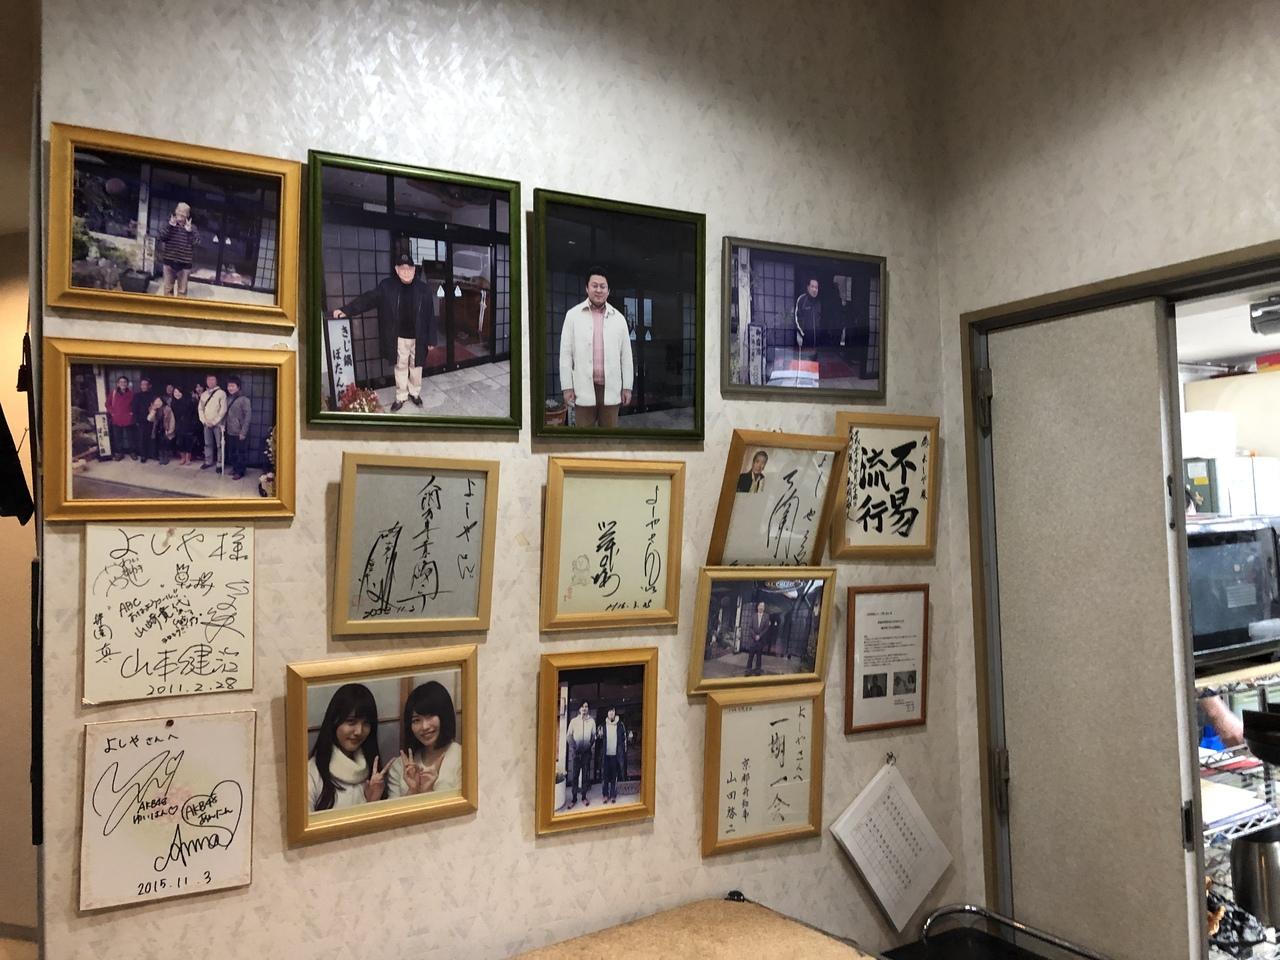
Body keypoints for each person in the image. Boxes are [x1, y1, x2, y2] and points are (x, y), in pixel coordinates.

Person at [332, 253, 435, 412]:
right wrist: (347, 310)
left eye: (409, 268)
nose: (406, 272)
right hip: (398, 337)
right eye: (402, 268)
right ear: (396, 269)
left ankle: (414, 393)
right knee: (400, 366)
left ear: (414, 270)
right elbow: (368, 299)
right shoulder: (387, 286)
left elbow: (430, 315)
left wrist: (431, 339)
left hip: (419, 337)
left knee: (416, 366)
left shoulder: (424, 289)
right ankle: (401, 396)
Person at [558, 268, 633, 428]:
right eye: (594, 285)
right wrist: (567, 387)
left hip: (611, 389)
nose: (598, 290)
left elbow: (626, 356)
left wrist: (627, 387)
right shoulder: (573, 316)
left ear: (608, 290)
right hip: (582, 388)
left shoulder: (619, 319)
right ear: (587, 288)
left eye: (602, 286)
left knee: (609, 437)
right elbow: (565, 355)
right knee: (584, 438)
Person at [307, 683, 387, 812]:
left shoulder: (373, 771)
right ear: (334, 721)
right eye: (351, 722)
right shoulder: (312, 773)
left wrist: (373, 802)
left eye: (366, 723)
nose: (359, 731)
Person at [385, 681, 462, 797]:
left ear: (444, 715)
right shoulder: (400, 766)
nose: (424, 726)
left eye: (430, 716)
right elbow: (392, 809)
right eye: (416, 720)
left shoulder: (463, 758)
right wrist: (413, 791)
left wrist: (428, 791)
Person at [157, 201, 199, 297]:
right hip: (169, 263)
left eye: (184, 211)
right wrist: (170, 226)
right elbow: (160, 237)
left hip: (185, 265)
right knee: (168, 290)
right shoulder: (168, 224)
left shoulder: (192, 228)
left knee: (182, 292)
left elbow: (196, 242)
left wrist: (189, 232)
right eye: (179, 210)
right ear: (175, 211)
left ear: (187, 215)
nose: (181, 213)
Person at [565, 699, 597, 809]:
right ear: (579, 709)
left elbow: (593, 736)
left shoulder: (592, 722)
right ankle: (574, 799)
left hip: (586, 753)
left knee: (585, 775)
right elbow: (569, 736)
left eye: (586, 706)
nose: (584, 708)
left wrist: (589, 745)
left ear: (588, 709)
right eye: (582, 706)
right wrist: (575, 747)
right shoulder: (574, 721)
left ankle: (584, 797)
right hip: (576, 754)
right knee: (575, 776)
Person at [224, 377, 252, 481]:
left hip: (240, 431)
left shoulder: (244, 400)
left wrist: (243, 432)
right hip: (230, 431)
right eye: (229, 386)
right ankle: (235, 468)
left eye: (232, 386)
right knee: (232, 452)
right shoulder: (228, 398)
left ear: (238, 387)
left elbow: (248, 416)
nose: (230, 388)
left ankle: (240, 471)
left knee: (241, 453)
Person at [598, 706, 627, 805]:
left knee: (614, 775)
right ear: (607, 713)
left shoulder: (620, 725)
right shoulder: (603, 725)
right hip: (606, 755)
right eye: (609, 711)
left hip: (615, 755)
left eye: (612, 711)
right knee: (605, 776)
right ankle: (605, 795)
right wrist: (599, 735)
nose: (611, 713)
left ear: (615, 712)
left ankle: (613, 795)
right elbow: (599, 740)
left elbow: (624, 739)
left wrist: (622, 752)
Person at [198, 374, 227, 472]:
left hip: (218, 424)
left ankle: (219, 463)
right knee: (207, 443)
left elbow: (223, 410)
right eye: (208, 380)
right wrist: (204, 421)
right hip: (206, 423)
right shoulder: (204, 394)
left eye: (212, 379)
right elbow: (200, 409)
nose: (210, 382)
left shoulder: (221, 393)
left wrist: (214, 421)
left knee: (219, 444)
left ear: (216, 381)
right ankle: (208, 461)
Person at [105, 375, 133, 460]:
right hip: (116, 418)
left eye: (125, 382)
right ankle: (120, 453)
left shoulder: (131, 394)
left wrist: (132, 413)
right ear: (117, 384)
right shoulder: (113, 393)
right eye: (121, 382)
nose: (123, 384)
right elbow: (107, 404)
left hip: (128, 419)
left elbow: (134, 404)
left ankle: (132, 452)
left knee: (131, 437)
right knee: (118, 438)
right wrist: (112, 412)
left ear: (127, 384)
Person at [794, 277, 822, 354]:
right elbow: (796, 318)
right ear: (808, 287)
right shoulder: (802, 300)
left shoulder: (819, 301)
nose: (814, 289)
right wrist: (803, 333)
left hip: (819, 342)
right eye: (812, 287)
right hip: (805, 340)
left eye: (816, 287)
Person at [130, 377, 156, 462]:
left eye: (145, 384)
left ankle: (151, 454)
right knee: (142, 438)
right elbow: (134, 409)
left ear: (149, 386)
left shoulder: (153, 396)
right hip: (141, 421)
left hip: (151, 420)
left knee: (151, 437)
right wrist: (136, 420)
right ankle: (143, 455)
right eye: (142, 384)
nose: (144, 386)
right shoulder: (137, 396)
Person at [170, 386, 196, 466]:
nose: (177, 394)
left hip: (188, 424)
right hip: (178, 425)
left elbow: (193, 414)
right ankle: (182, 457)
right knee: (180, 442)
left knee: (188, 442)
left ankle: (188, 458)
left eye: (178, 392)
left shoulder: (189, 401)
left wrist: (192, 424)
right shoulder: (173, 403)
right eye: (175, 392)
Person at [147, 396, 175, 466]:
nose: (158, 403)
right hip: (157, 429)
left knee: (166, 444)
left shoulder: (167, 409)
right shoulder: (153, 409)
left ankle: (166, 457)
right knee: (159, 444)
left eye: (159, 401)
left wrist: (171, 430)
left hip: (165, 429)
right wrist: (153, 410)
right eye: (156, 401)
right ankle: (161, 457)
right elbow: (149, 419)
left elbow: (172, 420)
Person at [744, 601, 769, 676]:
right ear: (758, 607)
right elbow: (750, 627)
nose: (761, 607)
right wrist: (755, 636)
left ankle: (758, 670)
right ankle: (748, 669)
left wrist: (759, 636)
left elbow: (766, 628)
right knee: (750, 656)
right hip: (753, 639)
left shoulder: (766, 616)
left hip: (760, 640)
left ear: (764, 608)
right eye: (760, 606)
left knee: (759, 656)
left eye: (763, 606)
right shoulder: (753, 616)